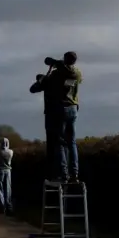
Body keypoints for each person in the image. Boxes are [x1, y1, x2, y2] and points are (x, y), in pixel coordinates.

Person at [30, 52, 83, 183]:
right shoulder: (77, 73)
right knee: (72, 142)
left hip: (60, 109)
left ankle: (64, 174)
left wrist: (46, 75)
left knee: (60, 142)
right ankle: (74, 174)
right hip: (73, 108)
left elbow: (34, 88)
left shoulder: (56, 75)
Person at [0, 137, 14, 215]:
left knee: (0, 188)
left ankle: (1, 206)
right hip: (8, 171)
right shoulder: (11, 152)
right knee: (8, 188)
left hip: (0, 171)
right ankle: (9, 206)